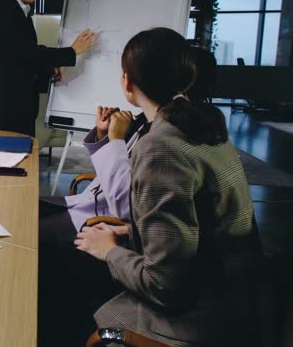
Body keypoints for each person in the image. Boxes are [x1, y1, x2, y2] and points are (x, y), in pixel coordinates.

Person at [73, 28, 263, 346]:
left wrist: (109, 251)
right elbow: (193, 219)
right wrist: (131, 233)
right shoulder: (202, 123)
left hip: (205, 310)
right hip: (238, 286)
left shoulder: (162, 146)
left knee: (63, 286)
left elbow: (166, 286)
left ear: (128, 84)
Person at [37, 45, 219, 345]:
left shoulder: (164, 144)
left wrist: (115, 141)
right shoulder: (174, 127)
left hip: (122, 239)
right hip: (114, 223)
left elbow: (130, 205)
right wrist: (106, 136)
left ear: (128, 82)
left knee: (33, 248)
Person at [0, 0, 98, 136]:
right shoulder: (5, 12)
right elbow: (27, 52)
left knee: (19, 161)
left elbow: (18, 56)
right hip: (5, 110)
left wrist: (47, 68)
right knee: (6, 162)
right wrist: (72, 52)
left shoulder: (22, 11)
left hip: (15, 108)